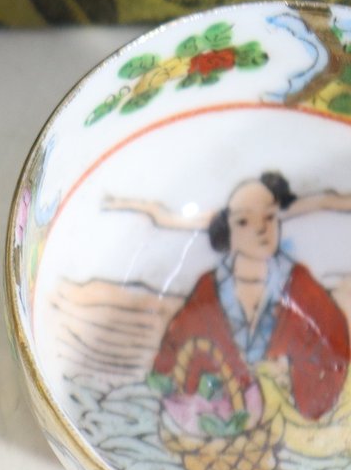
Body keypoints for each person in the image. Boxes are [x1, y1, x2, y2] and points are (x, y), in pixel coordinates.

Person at [112, 173, 351, 450]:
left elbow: (334, 343)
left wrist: (289, 373)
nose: (261, 229)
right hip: (224, 422)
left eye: (270, 217)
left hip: (292, 427)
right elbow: (177, 348)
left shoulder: (299, 283)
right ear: (227, 230)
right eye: (244, 222)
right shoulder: (209, 288)